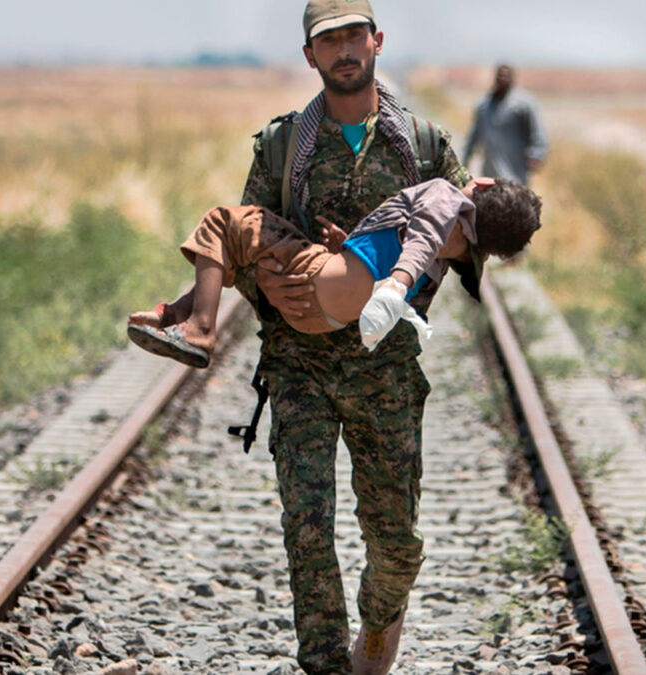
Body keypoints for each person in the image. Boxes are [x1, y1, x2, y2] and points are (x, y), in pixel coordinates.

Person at [223, 1, 474, 673]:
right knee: (307, 525)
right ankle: (325, 661)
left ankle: (378, 625)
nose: (343, 49)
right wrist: (264, 289)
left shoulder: (422, 146)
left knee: (395, 542)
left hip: (385, 368)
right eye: (327, 40)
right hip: (299, 365)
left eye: (353, 35)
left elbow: (463, 239)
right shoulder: (281, 146)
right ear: (310, 56)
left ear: (377, 41)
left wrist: (405, 280)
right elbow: (244, 238)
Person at [127, 177, 541, 368]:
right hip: (325, 318)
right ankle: (174, 316)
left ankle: (198, 326)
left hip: (310, 286)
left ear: (484, 186)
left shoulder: (445, 197)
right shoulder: (457, 261)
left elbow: (422, 237)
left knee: (223, 223)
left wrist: (395, 283)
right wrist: (351, 249)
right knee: (243, 245)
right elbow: (399, 254)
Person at [462, 64, 549, 185]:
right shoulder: (485, 106)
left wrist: (537, 155)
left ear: (513, 78)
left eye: (506, 76)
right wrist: (465, 159)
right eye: (500, 76)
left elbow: (537, 132)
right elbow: (474, 134)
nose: (503, 78)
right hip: (490, 170)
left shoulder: (523, 104)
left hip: (515, 171)